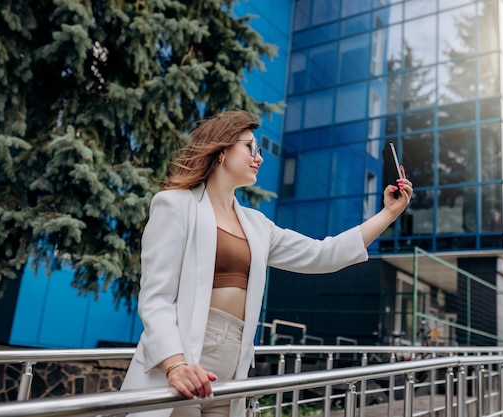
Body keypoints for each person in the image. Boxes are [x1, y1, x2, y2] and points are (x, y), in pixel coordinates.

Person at [120, 110, 413, 417]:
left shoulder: (257, 224)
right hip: (186, 359)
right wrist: (175, 364)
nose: (259, 158)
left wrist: (389, 214)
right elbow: (156, 298)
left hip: (233, 365)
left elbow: (323, 254)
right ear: (221, 151)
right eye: (250, 147)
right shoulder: (175, 204)